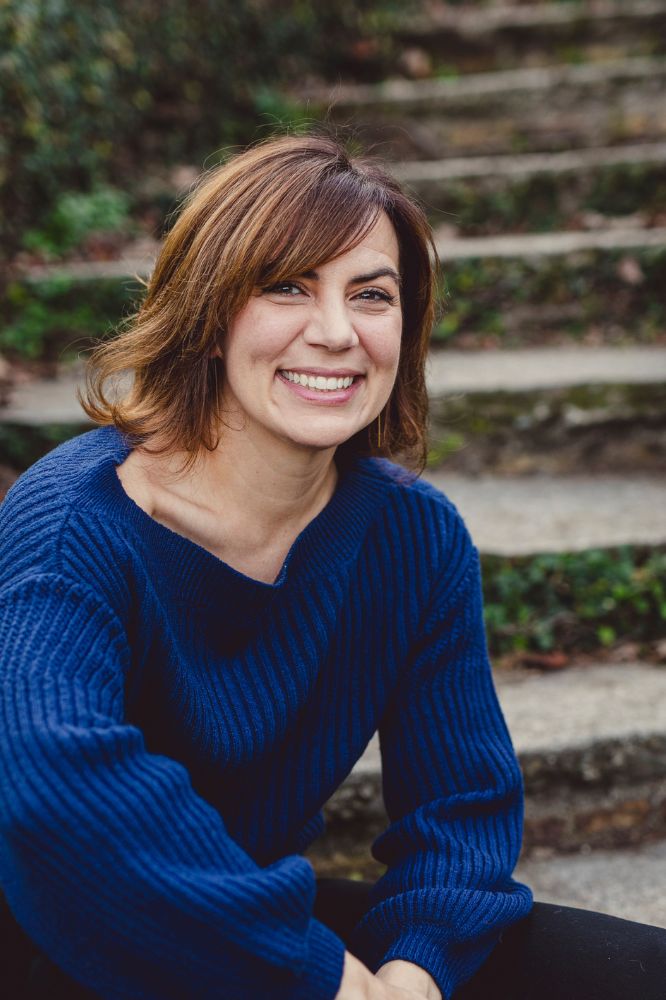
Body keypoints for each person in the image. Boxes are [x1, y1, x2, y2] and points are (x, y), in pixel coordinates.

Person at [0, 134, 663, 1000]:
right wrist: (328, 982)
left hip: (253, 920)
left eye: (372, 294)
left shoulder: (412, 538)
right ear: (207, 316)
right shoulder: (76, 525)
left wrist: (412, 973)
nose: (337, 333)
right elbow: (57, 796)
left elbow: (459, 813)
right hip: (62, 932)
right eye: (287, 286)